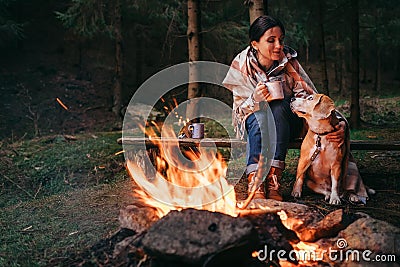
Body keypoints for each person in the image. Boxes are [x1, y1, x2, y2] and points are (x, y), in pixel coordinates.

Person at [223, 15, 369, 203]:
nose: (278, 46)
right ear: (255, 44)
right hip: (254, 127)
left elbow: (313, 101)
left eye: (281, 40)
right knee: (260, 113)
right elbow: (240, 113)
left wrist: (338, 123)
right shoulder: (241, 66)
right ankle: (257, 181)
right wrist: (255, 99)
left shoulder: (289, 62)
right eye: (271, 40)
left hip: (287, 125)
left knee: (279, 106)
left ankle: (274, 179)